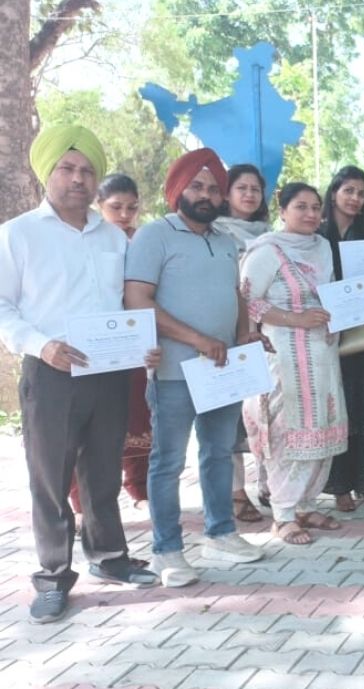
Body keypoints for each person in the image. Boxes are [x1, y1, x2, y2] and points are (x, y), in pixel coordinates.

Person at [0, 125, 160, 621]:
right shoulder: (18, 234)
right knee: (50, 476)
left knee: (103, 469)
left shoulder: (113, 236)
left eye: (87, 170)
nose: (78, 178)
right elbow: (3, 305)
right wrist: (41, 345)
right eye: (67, 168)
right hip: (51, 372)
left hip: (110, 371)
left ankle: (109, 556)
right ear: (47, 172)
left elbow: (127, 303)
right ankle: (52, 575)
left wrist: (143, 344)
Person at [125, 148, 265, 588]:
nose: (206, 195)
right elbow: (137, 300)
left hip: (223, 370)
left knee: (219, 452)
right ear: (178, 189)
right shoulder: (154, 235)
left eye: (213, 189)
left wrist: (244, 335)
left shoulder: (224, 241)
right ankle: (167, 550)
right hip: (174, 372)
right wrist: (198, 340)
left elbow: (235, 294)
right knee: (168, 462)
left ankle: (220, 533)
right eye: (197, 186)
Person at [239, 182, 347, 545]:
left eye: (316, 207)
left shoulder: (322, 247)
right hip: (285, 355)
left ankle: (306, 505)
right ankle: (282, 515)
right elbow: (246, 300)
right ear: (282, 210)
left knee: (321, 429)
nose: (311, 214)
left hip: (323, 354)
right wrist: (294, 319)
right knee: (288, 433)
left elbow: (330, 292)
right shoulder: (267, 250)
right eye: (301, 207)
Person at [66, 174, 149, 516]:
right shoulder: (84, 239)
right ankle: (81, 503)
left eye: (132, 207)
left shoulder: (143, 242)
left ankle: (139, 489)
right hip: (87, 344)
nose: (124, 215)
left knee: (138, 415)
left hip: (133, 343)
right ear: (99, 205)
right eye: (116, 207)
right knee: (83, 427)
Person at [318, 166, 364, 511]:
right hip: (324, 332)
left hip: (363, 336)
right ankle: (340, 488)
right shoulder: (316, 235)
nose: (355, 198)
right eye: (349, 191)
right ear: (334, 193)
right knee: (336, 411)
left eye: (361, 193)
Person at [214, 163, 272, 523]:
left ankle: (270, 485)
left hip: (263, 334)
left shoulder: (270, 236)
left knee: (264, 413)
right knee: (228, 417)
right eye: (242, 188)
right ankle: (236, 493)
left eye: (255, 189)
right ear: (227, 193)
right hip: (224, 332)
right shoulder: (214, 232)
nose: (249, 194)